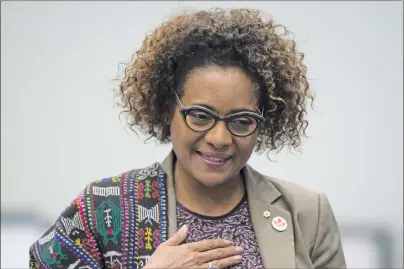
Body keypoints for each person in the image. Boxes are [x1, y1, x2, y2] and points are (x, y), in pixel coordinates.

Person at [29, 8, 346, 269]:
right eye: (200, 116)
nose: (220, 138)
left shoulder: (306, 214)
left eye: (242, 120)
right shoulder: (104, 207)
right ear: (168, 108)